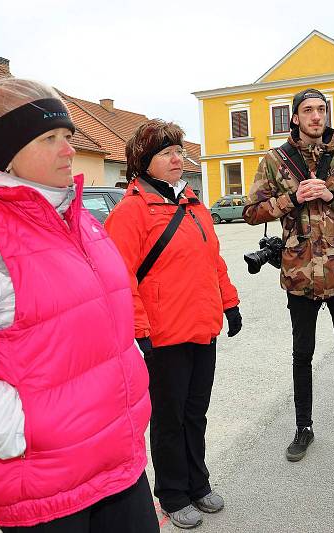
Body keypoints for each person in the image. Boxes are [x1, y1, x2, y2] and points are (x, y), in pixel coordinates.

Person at [0, 78, 156, 532]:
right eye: (49, 138)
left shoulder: (78, 220)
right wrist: (29, 431)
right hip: (45, 489)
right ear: (6, 148)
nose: (68, 151)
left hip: (118, 466)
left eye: (69, 137)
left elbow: (104, 334)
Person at [104, 119, 241, 530]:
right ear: (144, 162)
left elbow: (212, 260)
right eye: (166, 153)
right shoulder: (131, 211)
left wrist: (229, 303)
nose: (178, 158)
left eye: (179, 151)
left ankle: (198, 484)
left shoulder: (194, 205)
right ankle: (173, 493)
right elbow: (118, 277)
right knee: (168, 419)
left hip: (202, 329)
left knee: (195, 413)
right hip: (162, 337)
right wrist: (139, 331)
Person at [243, 88, 334, 462]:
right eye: (308, 110)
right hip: (299, 275)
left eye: (321, 109)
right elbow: (251, 212)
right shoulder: (275, 161)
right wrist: (292, 199)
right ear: (295, 119)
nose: (316, 116)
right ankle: (303, 427)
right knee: (302, 353)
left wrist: (332, 198)